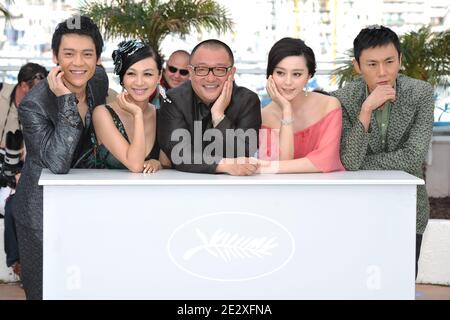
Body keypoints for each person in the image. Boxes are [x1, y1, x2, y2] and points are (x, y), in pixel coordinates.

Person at [13, 16, 108, 299]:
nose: (78, 63)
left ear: (97, 58)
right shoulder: (33, 104)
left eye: (87, 54)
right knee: (45, 291)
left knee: (85, 287)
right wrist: (66, 98)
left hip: (83, 204)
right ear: (55, 56)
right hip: (39, 213)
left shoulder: (98, 81)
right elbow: (57, 163)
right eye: (69, 54)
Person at [331, 25, 435, 278]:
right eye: (372, 64)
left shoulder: (421, 93)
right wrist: (366, 110)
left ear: (400, 59)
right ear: (357, 65)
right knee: (356, 280)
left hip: (408, 206)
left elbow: (413, 158)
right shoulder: (342, 98)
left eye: (389, 61)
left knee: (402, 280)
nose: (383, 72)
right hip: (358, 207)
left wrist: (359, 161)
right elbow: (350, 161)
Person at [158, 39, 261, 175]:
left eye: (219, 70)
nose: (210, 78)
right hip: (185, 186)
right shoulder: (173, 99)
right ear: (190, 72)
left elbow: (243, 153)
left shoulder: (248, 101)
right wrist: (225, 165)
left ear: (231, 73)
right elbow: (179, 154)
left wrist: (218, 116)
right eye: (201, 69)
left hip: (234, 188)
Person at [258, 38, 344, 173]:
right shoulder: (264, 115)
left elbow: (326, 161)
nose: (288, 82)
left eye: (296, 74)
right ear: (270, 75)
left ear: (309, 75)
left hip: (327, 190)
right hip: (281, 192)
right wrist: (286, 110)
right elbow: (278, 169)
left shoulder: (329, 105)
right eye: (280, 73)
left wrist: (262, 166)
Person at [0, 63, 47, 278]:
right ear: (23, 86)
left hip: (23, 168)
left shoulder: (41, 107)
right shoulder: (2, 95)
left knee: (14, 205)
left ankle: (17, 263)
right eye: (36, 90)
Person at [92, 40, 165, 173]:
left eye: (148, 74)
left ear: (159, 76)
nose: (139, 82)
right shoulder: (102, 113)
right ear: (122, 78)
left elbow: (169, 161)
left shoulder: (161, 115)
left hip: (152, 193)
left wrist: (157, 163)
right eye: (131, 73)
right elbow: (135, 165)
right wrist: (137, 114)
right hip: (105, 193)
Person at [0, 63, 48, 147]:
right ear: (24, 86)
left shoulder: (44, 109)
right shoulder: (1, 92)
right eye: (38, 90)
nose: (41, 94)